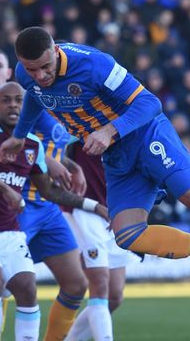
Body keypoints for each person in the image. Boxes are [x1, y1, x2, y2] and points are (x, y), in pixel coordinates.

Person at [0, 27, 190, 324]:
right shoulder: (26, 75)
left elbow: (149, 103)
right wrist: (20, 135)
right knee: (127, 235)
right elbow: (36, 97)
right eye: (31, 69)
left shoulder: (94, 64)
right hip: (116, 155)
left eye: (45, 67)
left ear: (55, 50)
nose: (39, 75)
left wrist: (110, 130)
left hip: (146, 135)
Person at [0, 47, 91, 341]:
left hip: (41, 201)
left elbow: (38, 147)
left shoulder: (28, 101)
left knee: (74, 284)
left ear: (10, 72)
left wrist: (67, 163)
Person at [64, 140, 140, 341]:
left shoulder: (133, 129)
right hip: (84, 211)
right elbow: (52, 149)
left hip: (114, 214)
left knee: (114, 296)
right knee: (100, 285)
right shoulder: (83, 120)